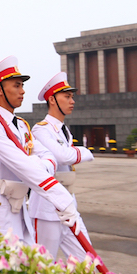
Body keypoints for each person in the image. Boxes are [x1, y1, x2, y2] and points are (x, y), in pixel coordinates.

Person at [0, 56, 76, 245]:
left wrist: (37, 163)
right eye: (17, 86)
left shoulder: (21, 126)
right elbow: (19, 163)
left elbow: (49, 157)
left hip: (18, 203)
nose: (22, 91)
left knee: (23, 263)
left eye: (22, 86)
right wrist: (59, 196)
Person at [28, 72, 95, 260]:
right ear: (52, 100)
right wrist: (87, 152)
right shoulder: (41, 129)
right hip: (47, 208)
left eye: (72, 96)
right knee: (42, 263)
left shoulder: (64, 131)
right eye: (67, 96)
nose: (72, 100)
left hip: (68, 202)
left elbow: (66, 155)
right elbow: (62, 156)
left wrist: (74, 153)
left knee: (86, 261)